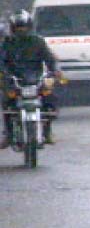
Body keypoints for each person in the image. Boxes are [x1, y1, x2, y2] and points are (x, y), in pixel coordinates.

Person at [0, 9, 60, 148]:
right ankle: (8, 134)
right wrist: (5, 74)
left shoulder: (38, 41)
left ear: (29, 27)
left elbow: (50, 59)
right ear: (13, 28)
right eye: (18, 28)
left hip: (35, 79)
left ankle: (47, 131)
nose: (22, 30)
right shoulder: (7, 43)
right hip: (13, 79)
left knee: (50, 99)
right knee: (7, 104)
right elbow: (1, 61)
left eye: (24, 27)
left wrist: (54, 71)